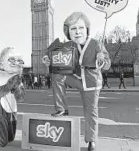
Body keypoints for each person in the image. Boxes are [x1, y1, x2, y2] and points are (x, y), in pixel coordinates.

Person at [42, 12, 111, 151]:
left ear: (87, 29)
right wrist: (46, 58)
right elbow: (54, 54)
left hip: (91, 82)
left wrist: (102, 60)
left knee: (91, 112)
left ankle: (91, 141)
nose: (77, 32)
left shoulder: (97, 44)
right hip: (76, 79)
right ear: (68, 32)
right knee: (57, 76)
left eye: (80, 27)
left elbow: (108, 64)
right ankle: (62, 109)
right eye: (73, 29)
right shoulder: (69, 45)